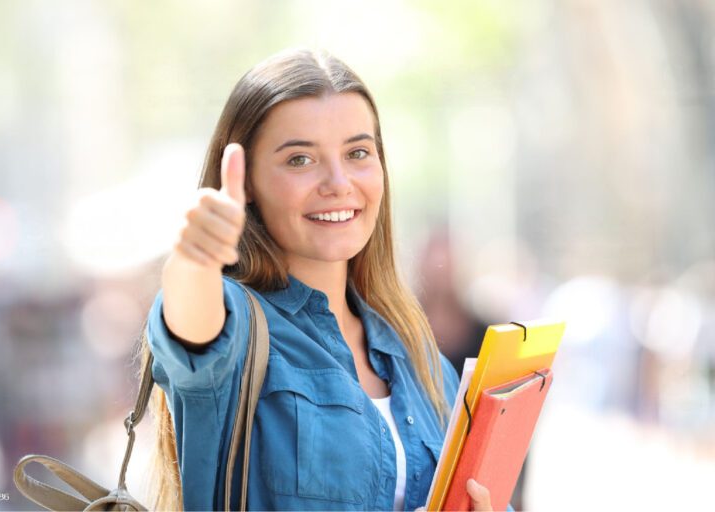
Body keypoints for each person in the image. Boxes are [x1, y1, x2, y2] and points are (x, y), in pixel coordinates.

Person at [140, 48, 503, 511]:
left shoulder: (416, 353)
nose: (338, 182)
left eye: (357, 153)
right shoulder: (236, 328)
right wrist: (195, 258)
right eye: (300, 159)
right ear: (247, 182)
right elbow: (190, 319)